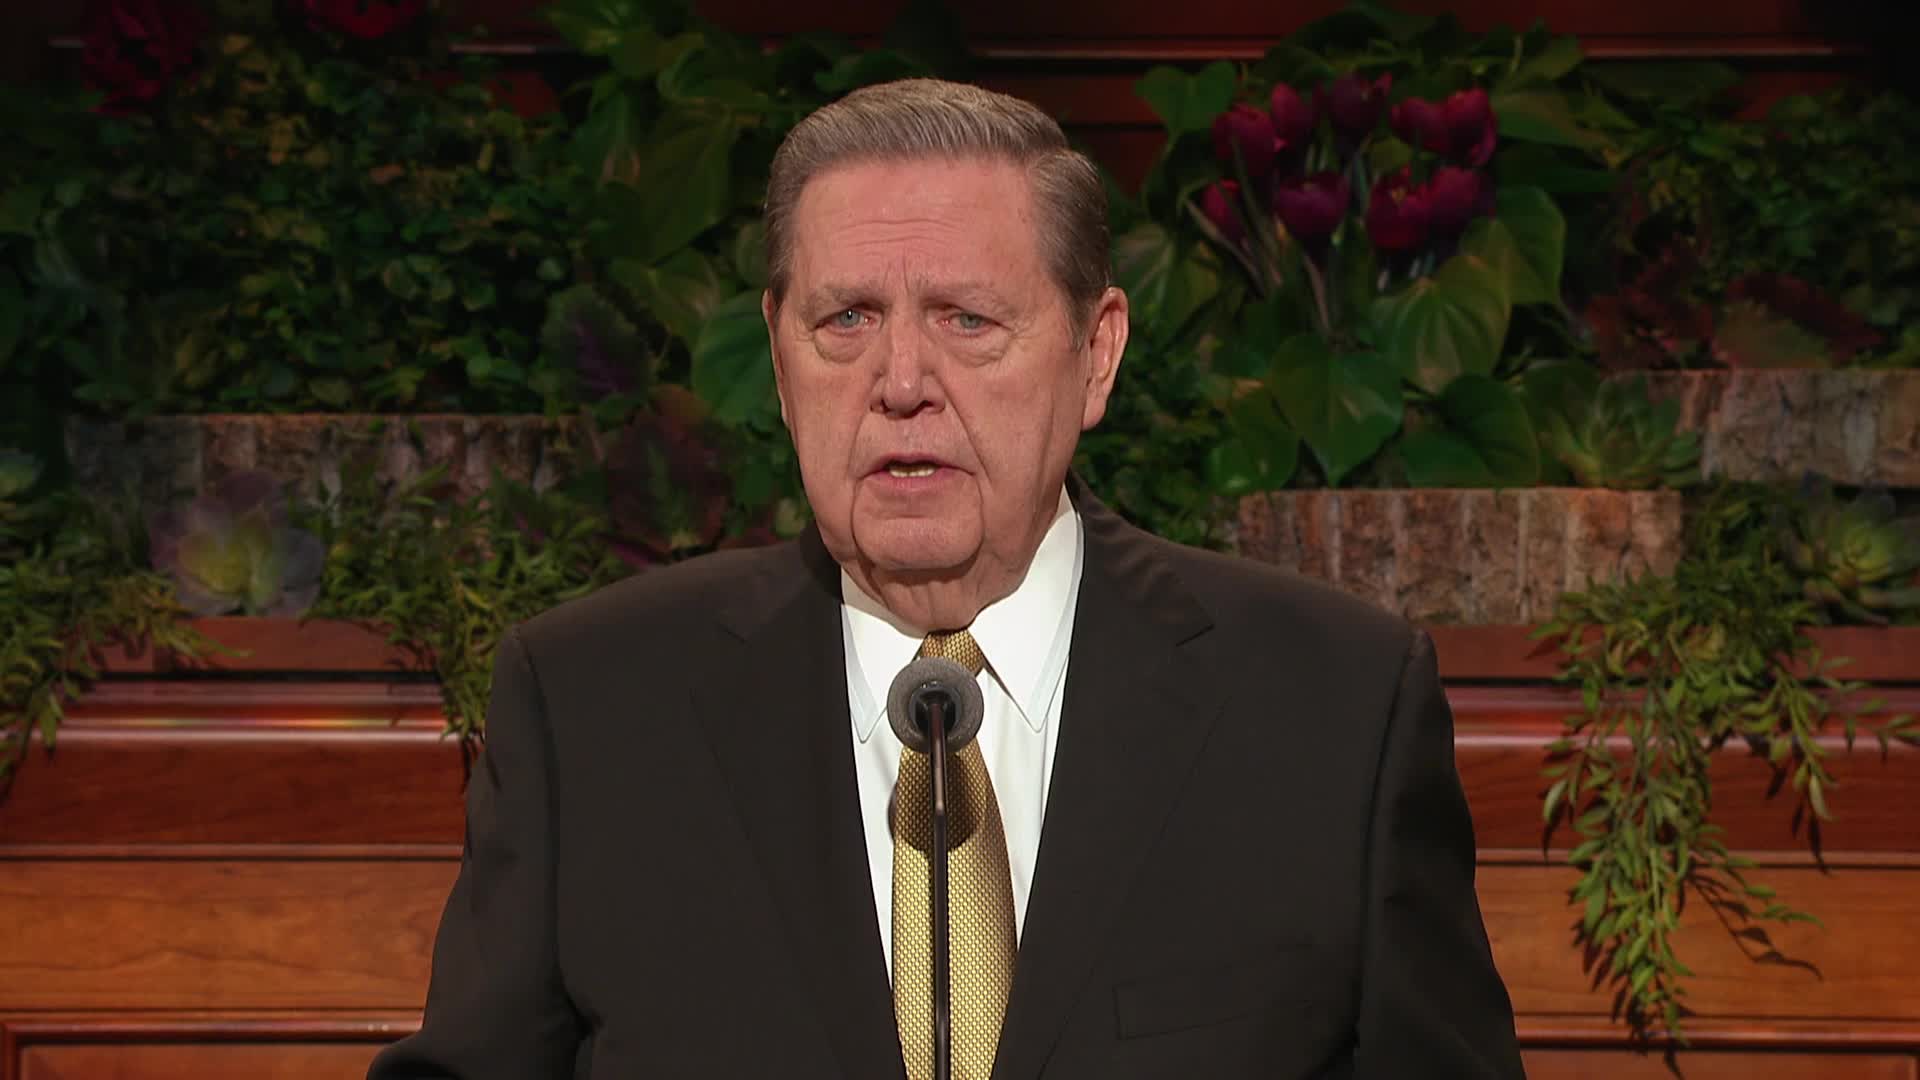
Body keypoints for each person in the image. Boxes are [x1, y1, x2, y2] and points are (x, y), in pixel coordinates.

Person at [368, 78, 1524, 1079]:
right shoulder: (592, 707)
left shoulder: (1333, 711)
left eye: (967, 319)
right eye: (846, 320)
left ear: (1096, 354)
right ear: (777, 357)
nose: (902, 381)